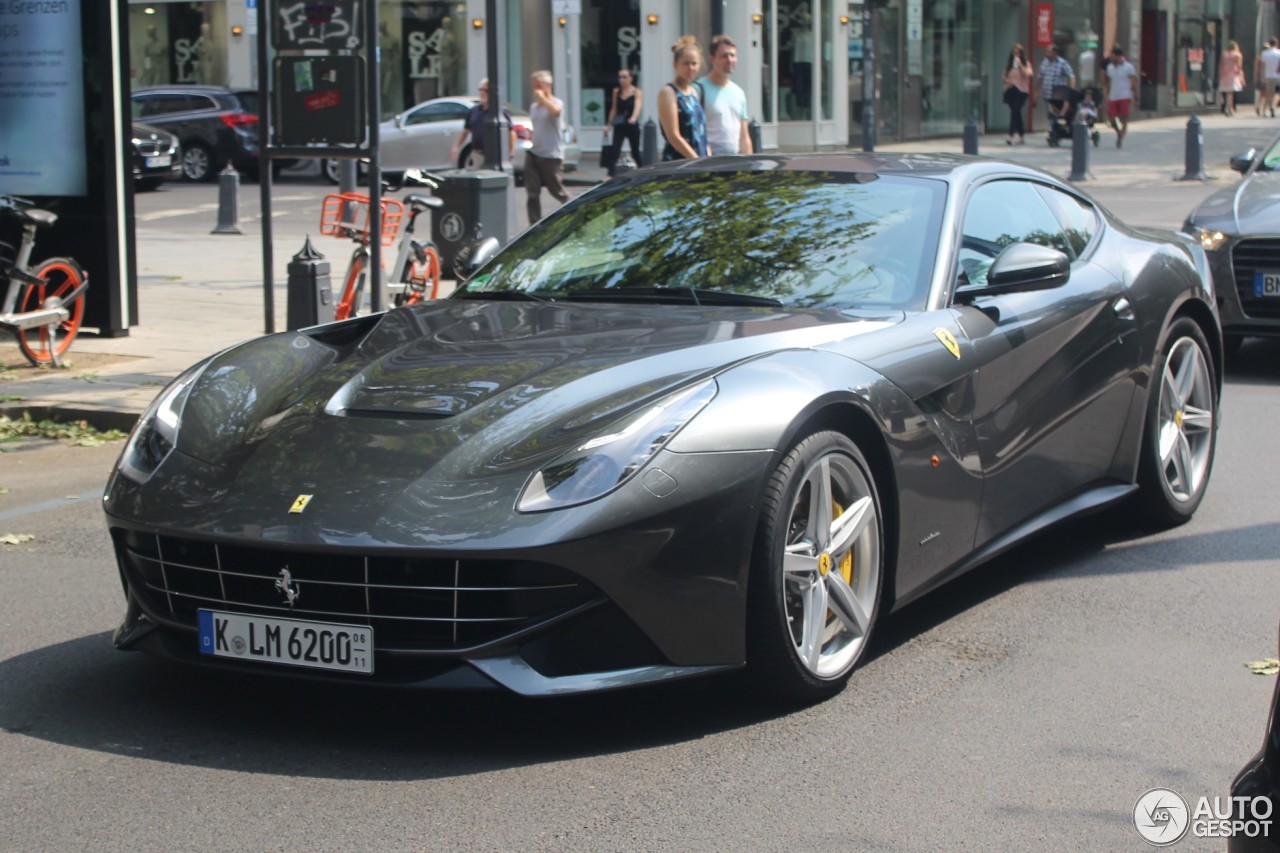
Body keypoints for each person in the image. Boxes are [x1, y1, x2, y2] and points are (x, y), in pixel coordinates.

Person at [524, 70, 570, 223]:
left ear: (548, 86)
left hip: (551, 155)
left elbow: (556, 113)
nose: (535, 89)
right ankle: (534, 223)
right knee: (532, 192)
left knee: (556, 191)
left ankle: (574, 209)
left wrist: (544, 99)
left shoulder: (557, 103)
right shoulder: (533, 107)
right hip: (534, 153)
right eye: (533, 86)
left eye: (538, 85)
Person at [698, 34, 752, 155]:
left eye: (733, 55)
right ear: (712, 59)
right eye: (724, 56)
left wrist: (749, 166)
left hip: (735, 163)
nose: (729, 60)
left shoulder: (739, 92)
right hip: (709, 163)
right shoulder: (698, 89)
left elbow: (744, 136)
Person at [658, 36, 708, 161]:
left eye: (694, 63)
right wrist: (696, 160)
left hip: (700, 161)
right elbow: (673, 136)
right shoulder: (668, 93)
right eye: (686, 63)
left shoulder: (695, 92)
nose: (691, 68)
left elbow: (702, 132)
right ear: (675, 64)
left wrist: (707, 159)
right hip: (679, 163)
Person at [449, 79, 516, 169]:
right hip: (477, 154)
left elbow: (511, 133)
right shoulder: (473, 111)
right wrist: (456, 146)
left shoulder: (500, 111)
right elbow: (465, 130)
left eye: (487, 91)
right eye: (481, 90)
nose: (484, 93)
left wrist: (510, 154)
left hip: (495, 156)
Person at [603, 68, 642, 175]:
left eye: (625, 77)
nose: (622, 79)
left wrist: (633, 118)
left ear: (631, 78)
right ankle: (610, 175)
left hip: (631, 125)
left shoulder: (636, 92)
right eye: (620, 77)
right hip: (620, 125)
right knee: (615, 150)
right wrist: (609, 124)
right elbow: (614, 109)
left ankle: (642, 172)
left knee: (635, 152)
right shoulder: (616, 91)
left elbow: (638, 106)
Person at [1103, 44, 1138, 148]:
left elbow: (1133, 82)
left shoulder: (1128, 67)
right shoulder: (1109, 68)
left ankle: (1121, 137)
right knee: (1111, 118)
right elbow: (1108, 82)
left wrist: (1135, 96)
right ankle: (1118, 132)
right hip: (1113, 96)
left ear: (1119, 56)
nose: (1111, 58)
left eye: (1113, 56)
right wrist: (1106, 95)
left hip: (1125, 95)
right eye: (1111, 56)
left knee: (1124, 118)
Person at [1003, 43, 1033, 145]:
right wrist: (1007, 81)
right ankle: (1021, 135)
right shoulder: (1009, 64)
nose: (1016, 54)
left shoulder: (1026, 64)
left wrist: (1020, 64)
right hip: (1011, 90)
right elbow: (1004, 76)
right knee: (1016, 112)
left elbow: (1028, 75)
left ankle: (1010, 134)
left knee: (1015, 110)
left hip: (1022, 90)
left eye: (1018, 52)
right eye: (1014, 52)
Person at [1038, 44, 1076, 123]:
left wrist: (1072, 89)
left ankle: (1055, 128)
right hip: (1047, 93)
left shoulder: (1062, 63)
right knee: (1050, 113)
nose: (1047, 54)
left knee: (1056, 113)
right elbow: (1040, 77)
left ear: (1054, 52)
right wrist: (1036, 91)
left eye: (1049, 52)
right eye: (1046, 52)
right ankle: (1052, 130)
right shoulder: (1044, 63)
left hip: (1058, 94)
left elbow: (1071, 76)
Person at [1219, 40, 1245, 116]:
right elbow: (1239, 67)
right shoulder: (1238, 55)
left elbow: (1221, 65)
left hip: (1224, 74)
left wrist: (1220, 74)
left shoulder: (1224, 54)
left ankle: (1229, 108)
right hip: (1233, 74)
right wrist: (1242, 77)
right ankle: (1228, 108)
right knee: (1231, 93)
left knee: (1227, 92)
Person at [1261, 38, 1280, 117]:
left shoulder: (1264, 53)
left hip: (1268, 75)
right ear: (1276, 44)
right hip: (1277, 75)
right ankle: (1273, 106)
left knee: (1269, 94)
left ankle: (1267, 109)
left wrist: (1262, 75)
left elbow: (1263, 65)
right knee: (1277, 93)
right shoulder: (1278, 53)